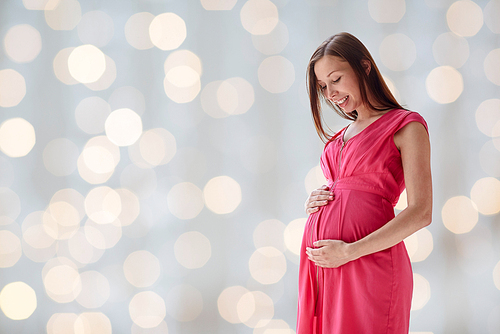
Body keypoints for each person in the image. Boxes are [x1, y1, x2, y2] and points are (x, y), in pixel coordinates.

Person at [297, 32, 432, 334]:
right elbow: (348, 189)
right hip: (326, 269)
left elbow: (421, 212)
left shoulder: (405, 125)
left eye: (336, 79)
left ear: (364, 67)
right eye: (323, 86)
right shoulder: (336, 140)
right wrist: (320, 199)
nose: (330, 93)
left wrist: (349, 251)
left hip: (369, 264)